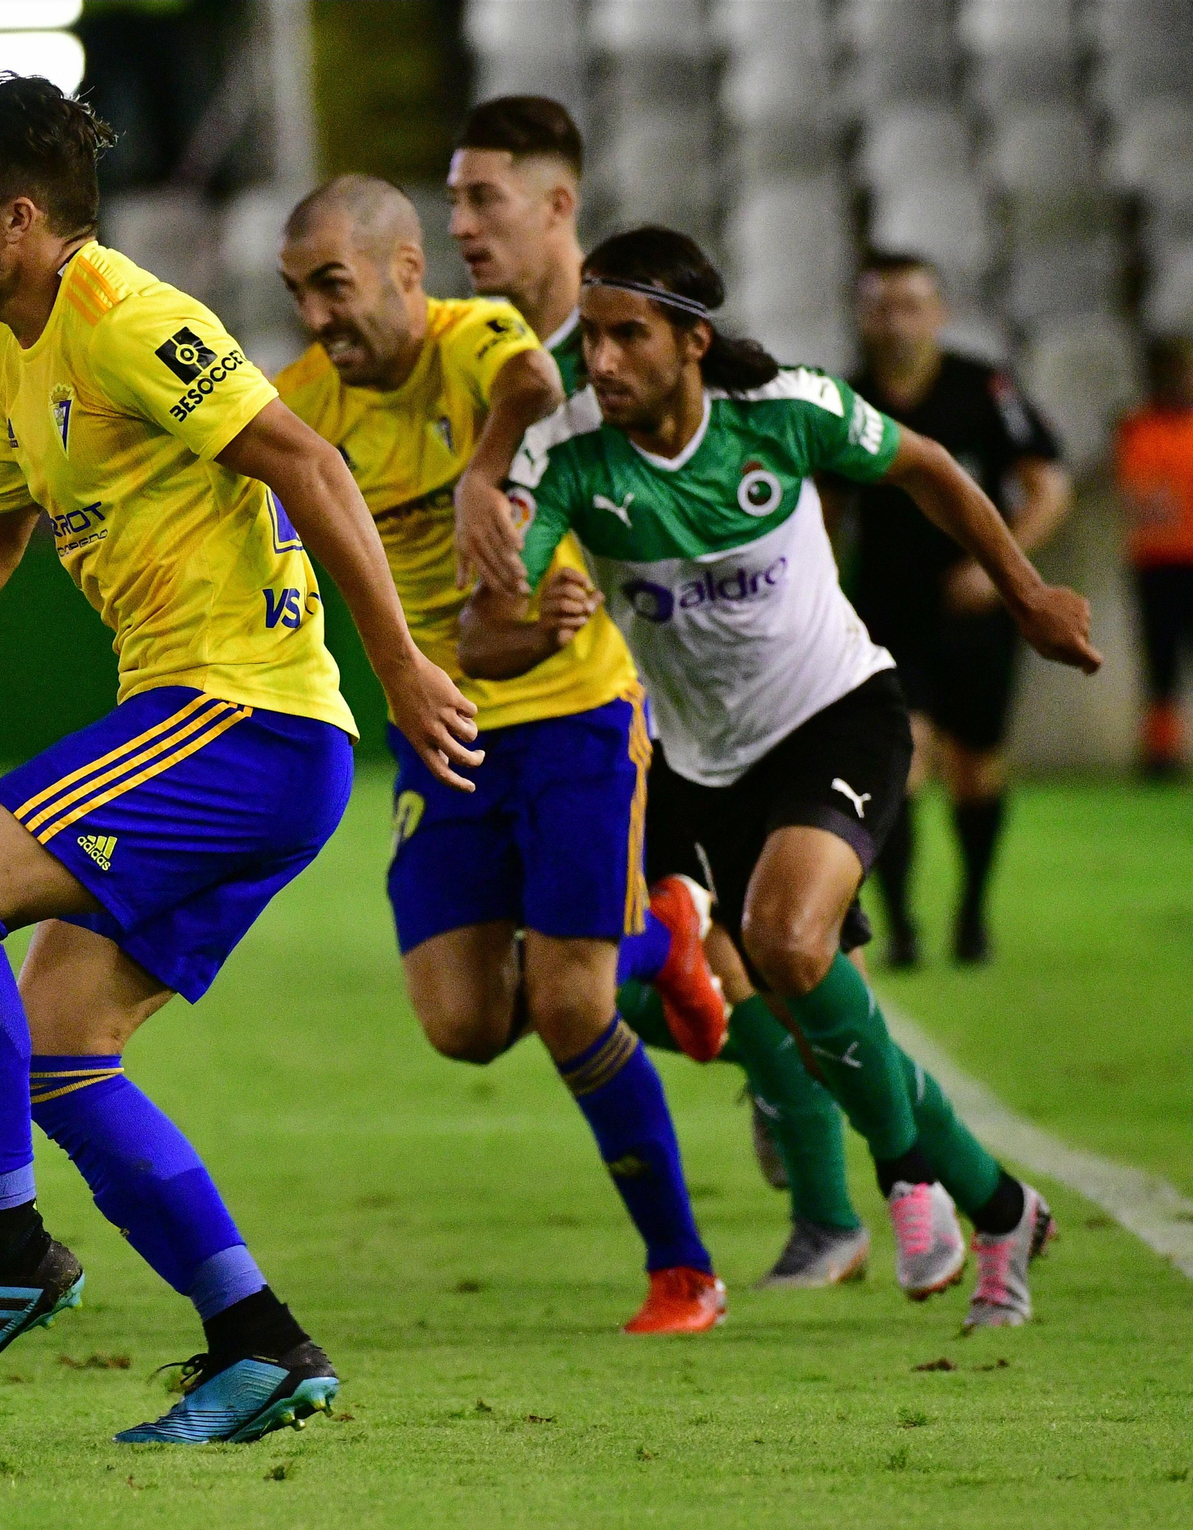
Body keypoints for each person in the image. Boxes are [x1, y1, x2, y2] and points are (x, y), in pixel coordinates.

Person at [0, 74, 483, 1446]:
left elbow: (307, 459)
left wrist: (404, 662)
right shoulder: (13, 356)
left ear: (17, 218)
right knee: (63, 1048)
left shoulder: (126, 314)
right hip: (234, 737)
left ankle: (3, 1244)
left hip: (241, 715)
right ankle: (259, 1342)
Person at [458, 226, 1101, 1329]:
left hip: (835, 716)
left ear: (692, 342)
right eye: (594, 339)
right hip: (700, 765)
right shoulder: (572, 465)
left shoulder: (788, 411)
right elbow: (481, 640)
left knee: (788, 946)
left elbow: (931, 470)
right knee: (803, 1019)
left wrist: (1027, 593)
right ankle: (998, 1207)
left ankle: (901, 1180)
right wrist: (536, 624)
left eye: (629, 336)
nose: (601, 361)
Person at [275, 174, 728, 1334]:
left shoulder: (472, 340)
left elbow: (533, 376)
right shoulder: (302, 402)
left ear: (406, 272)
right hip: (444, 729)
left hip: (573, 710)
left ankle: (681, 1269)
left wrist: (483, 470)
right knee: (464, 1026)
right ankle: (658, 929)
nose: (318, 315)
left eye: (334, 284)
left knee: (572, 1008)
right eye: (298, 294)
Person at [449, 95, 867, 1291]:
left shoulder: (637, 337)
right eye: (455, 200)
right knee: (501, 1005)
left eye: (486, 198)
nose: (464, 223)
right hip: (546, 704)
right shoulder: (474, 345)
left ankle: (831, 1208)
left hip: (659, 708)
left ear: (557, 205)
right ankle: (791, 1129)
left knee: (768, 950)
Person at [849, 253, 1072, 966]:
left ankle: (972, 912)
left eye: (911, 304)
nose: (897, 321)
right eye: (883, 306)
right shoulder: (844, 402)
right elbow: (818, 510)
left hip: (974, 617)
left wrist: (998, 568)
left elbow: (1049, 487)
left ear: (939, 313)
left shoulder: (984, 388)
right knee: (900, 766)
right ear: (862, 316)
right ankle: (903, 927)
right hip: (886, 614)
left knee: (976, 770)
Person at [1116, 334, 1193, 777]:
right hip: (1156, 562)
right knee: (1160, 663)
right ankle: (1161, 755)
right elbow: (1139, 494)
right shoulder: (1136, 428)